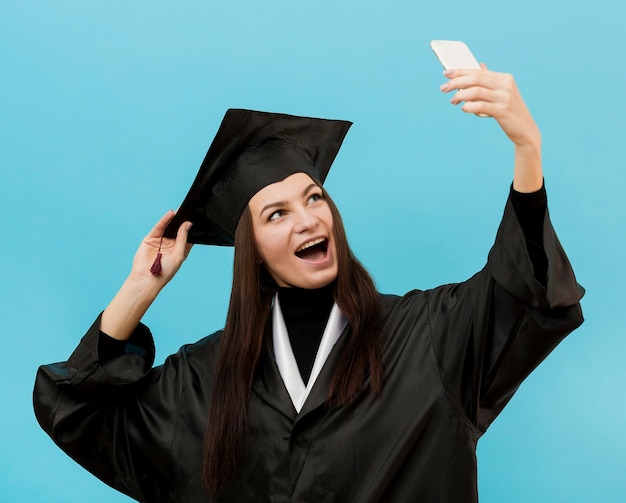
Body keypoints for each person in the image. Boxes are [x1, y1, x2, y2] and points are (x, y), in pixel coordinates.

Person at [33, 66, 584, 503]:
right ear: (252, 251)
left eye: (314, 197)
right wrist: (139, 288)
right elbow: (81, 416)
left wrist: (526, 151)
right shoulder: (205, 380)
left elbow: (528, 293)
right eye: (276, 214)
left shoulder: (431, 338)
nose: (307, 220)